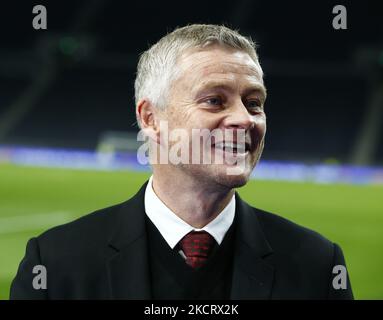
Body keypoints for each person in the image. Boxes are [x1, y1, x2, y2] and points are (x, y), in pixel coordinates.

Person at [10, 24, 353, 299]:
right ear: (150, 118)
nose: (245, 119)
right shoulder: (54, 265)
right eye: (215, 100)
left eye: (254, 102)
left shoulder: (318, 266)